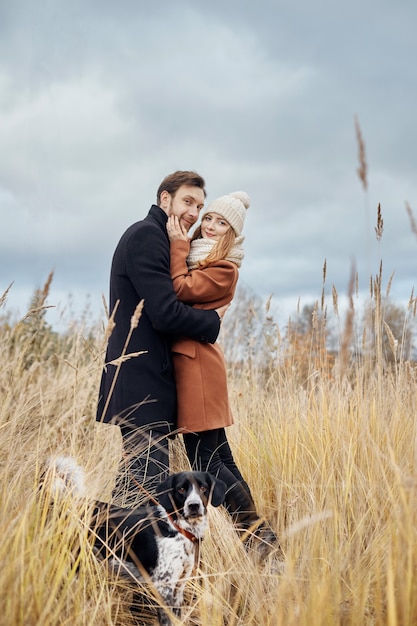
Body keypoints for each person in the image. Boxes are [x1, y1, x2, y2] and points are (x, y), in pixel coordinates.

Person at [96, 171, 229, 501]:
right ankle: (103, 548)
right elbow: (165, 312)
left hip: (151, 384)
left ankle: (100, 549)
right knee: (144, 490)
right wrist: (211, 321)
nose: (194, 213)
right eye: (188, 202)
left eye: (199, 206)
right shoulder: (147, 235)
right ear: (164, 199)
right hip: (142, 384)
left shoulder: (164, 240)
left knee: (135, 488)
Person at [167, 191, 279, 557]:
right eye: (210, 218)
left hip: (198, 368)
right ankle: (260, 537)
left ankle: (255, 536)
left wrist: (177, 245)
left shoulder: (223, 267)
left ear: (233, 233)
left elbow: (180, 289)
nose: (211, 227)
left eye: (222, 223)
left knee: (205, 462)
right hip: (200, 364)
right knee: (221, 458)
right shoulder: (204, 259)